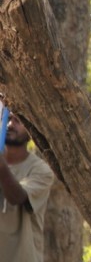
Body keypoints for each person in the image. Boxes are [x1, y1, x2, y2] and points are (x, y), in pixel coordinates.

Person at [0, 112, 54, 262]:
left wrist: (2, 168)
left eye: (18, 121)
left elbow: (17, 197)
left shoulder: (41, 171)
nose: (10, 125)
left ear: (31, 132)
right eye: (8, 119)